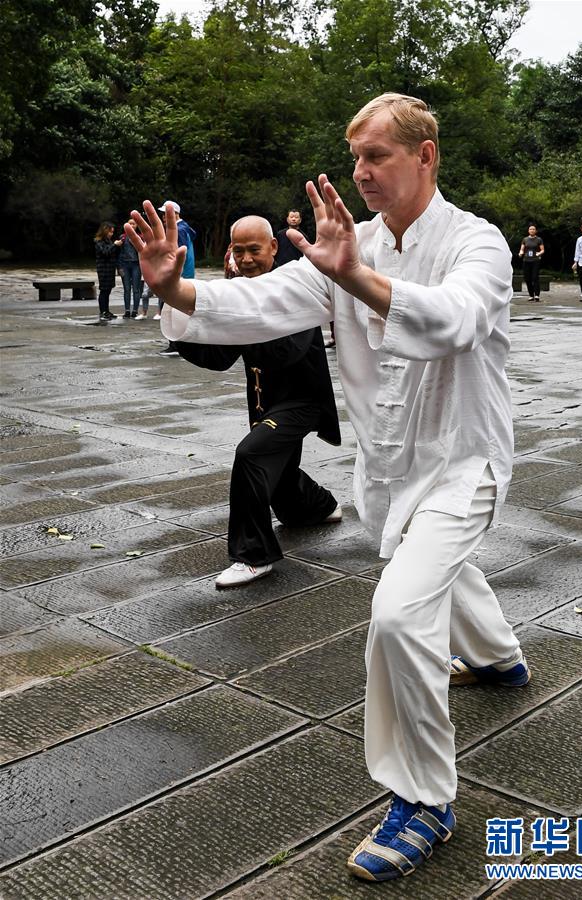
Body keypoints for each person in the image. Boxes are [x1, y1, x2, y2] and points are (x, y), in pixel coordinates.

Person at [128, 92, 530, 884]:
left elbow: (452, 321)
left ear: (425, 156)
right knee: (432, 564)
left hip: (463, 460)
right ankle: (499, 660)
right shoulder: (346, 246)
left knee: (399, 612)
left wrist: (356, 276)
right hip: (389, 469)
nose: (360, 172)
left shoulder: (475, 243)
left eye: (376, 156)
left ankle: (422, 799)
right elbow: (258, 302)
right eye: (355, 158)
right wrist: (175, 289)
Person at [176, 215, 342, 588]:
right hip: (264, 403)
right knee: (278, 478)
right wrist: (183, 317)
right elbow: (218, 358)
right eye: (240, 250)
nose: (247, 258)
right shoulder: (239, 293)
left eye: (255, 250)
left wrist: (237, 311)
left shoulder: (294, 288)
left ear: (273, 247)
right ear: (230, 252)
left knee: (251, 455)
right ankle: (320, 506)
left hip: (301, 403)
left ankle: (254, 556)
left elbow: (286, 352)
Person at [157, 200, 196, 354]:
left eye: (165, 214)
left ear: (175, 214)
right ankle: (177, 344)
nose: (163, 217)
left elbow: (175, 256)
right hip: (184, 275)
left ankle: (175, 345)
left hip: (177, 277)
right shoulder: (185, 228)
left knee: (170, 311)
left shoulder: (178, 230)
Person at [93, 222, 122, 321]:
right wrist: (114, 245)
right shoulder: (98, 241)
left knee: (108, 290)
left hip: (110, 269)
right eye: (110, 232)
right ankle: (103, 311)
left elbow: (112, 253)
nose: (111, 234)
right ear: (105, 231)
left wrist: (117, 246)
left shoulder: (108, 241)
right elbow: (105, 252)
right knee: (104, 290)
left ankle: (107, 310)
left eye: (112, 232)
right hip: (103, 269)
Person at [117, 218, 142, 318]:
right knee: (126, 289)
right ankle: (127, 310)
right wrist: (119, 267)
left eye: (134, 224)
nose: (132, 226)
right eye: (130, 224)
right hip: (125, 265)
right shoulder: (122, 237)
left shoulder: (140, 237)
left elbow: (142, 251)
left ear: (137, 226)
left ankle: (135, 310)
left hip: (136, 265)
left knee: (136, 289)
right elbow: (119, 253)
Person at [518, 224, 544, 301]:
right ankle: (531, 295)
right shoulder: (525, 239)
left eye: (533, 229)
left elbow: (542, 250)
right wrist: (520, 253)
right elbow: (522, 249)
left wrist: (539, 253)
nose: (532, 230)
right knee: (527, 278)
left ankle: (537, 295)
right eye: (530, 229)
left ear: (535, 231)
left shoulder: (539, 239)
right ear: (528, 231)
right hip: (526, 260)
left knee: (535, 277)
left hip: (535, 260)